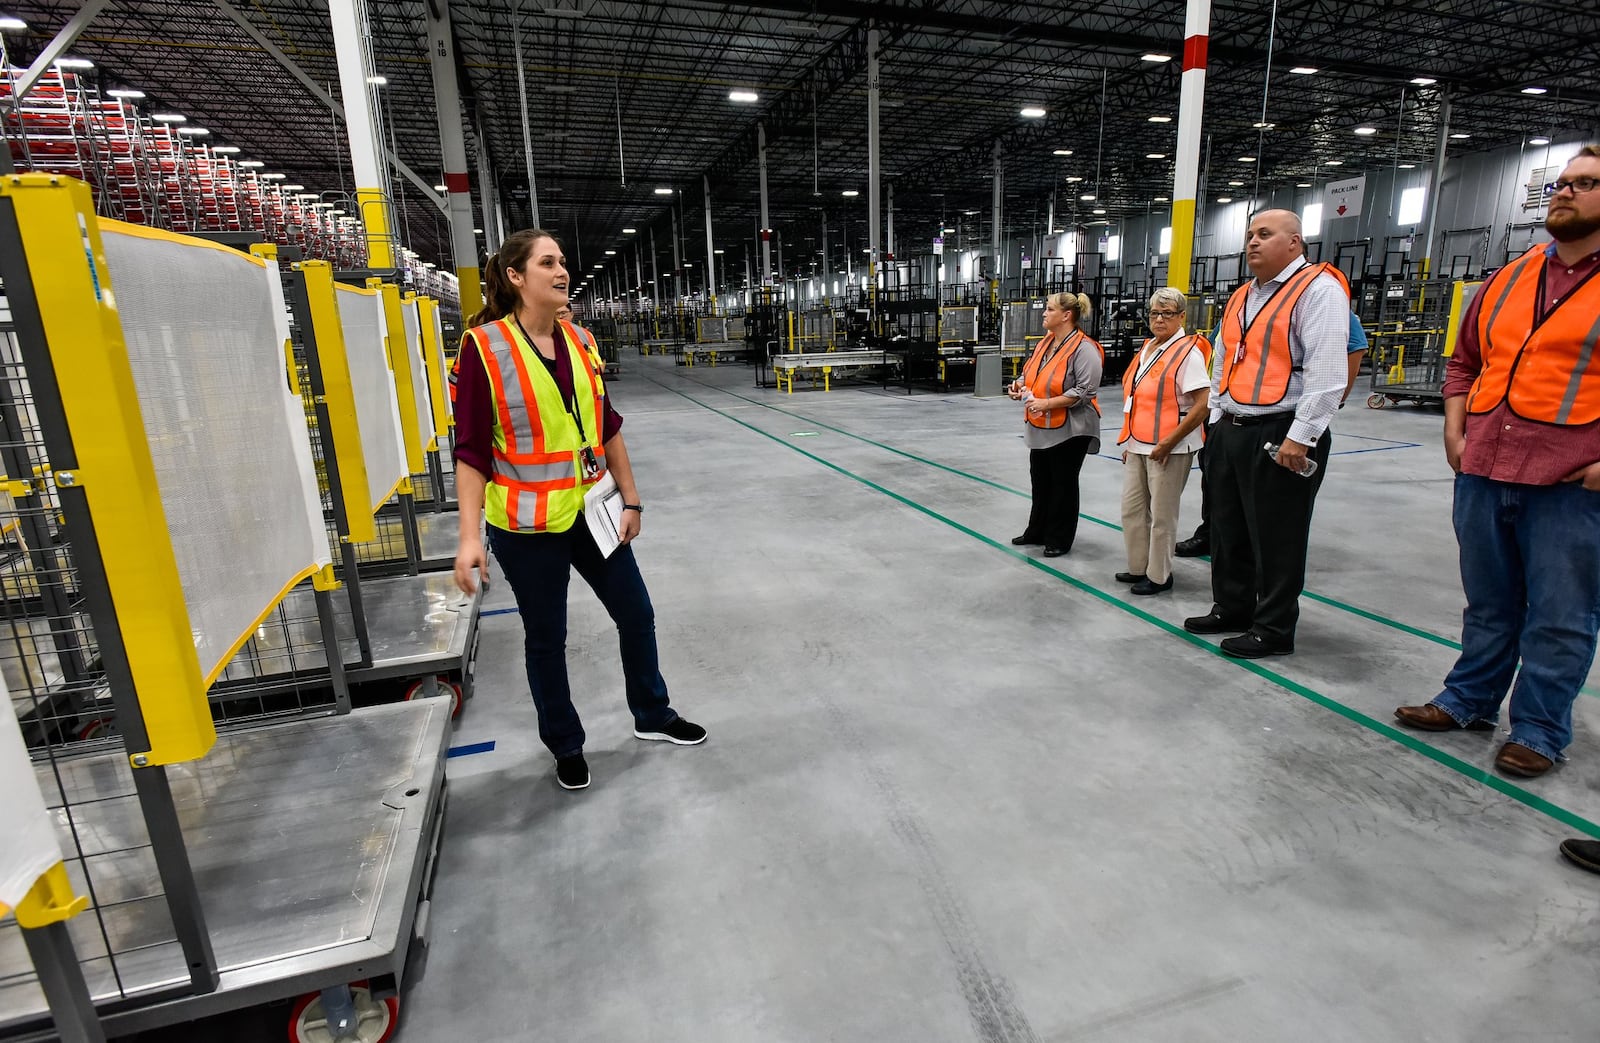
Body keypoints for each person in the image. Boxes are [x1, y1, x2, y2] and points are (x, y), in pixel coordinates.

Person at [452, 228, 705, 792]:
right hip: (526, 525)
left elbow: (607, 425)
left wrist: (631, 497)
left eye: (563, 261)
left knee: (636, 614)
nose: (561, 270)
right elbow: (469, 449)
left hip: (593, 511)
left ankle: (653, 713)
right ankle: (566, 744)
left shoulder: (582, 340)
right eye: (548, 263)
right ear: (517, 277)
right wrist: (470, 536)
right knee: (547, 639)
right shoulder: (484, 348)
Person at [1394, 146, 1600, 778]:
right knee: (1488, 602)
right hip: (1483, 468)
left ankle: (1538, 730)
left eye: (1585, 184)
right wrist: (1455, 429)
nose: (1564, 193)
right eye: (1561, 183)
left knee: (1562, 616)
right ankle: (1469, 700)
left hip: (1569, 481)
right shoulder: (1506, 279)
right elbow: (1464, 363)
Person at [1182, 210, 1351, 658]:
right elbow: (1223, 360)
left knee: (1277, 535)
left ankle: (1274, 628)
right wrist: (1216, 417)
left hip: (1282, 430)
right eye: (1250, 235)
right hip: (1233, 427)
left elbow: (1329, 373)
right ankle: (1232, 608)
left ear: (1294, 242)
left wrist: (1302, 436)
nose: (1253, 242)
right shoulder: (1241, 296)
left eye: (1265, 234)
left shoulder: (1318, 291)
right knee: (1227, 528)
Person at [1175, 297, 1366, 559]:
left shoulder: (1321, 300)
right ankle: (1211, 534)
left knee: (1273, 506)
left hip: (1279, 418)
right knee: (1217, 486)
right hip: (1228, 415)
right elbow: (1218, 353)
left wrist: (1331, 405)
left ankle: (1265, 560)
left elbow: (1353, 350)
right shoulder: (1241, 305)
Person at [1115, 288, 1211, 595]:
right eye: (1155, 313)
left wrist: (1170, 441)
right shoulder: (1148, 348)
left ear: (1181, 316)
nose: (1159, 319)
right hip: (1138, 443)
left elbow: (1203, 403)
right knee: (1132, 509)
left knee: (1162, 515)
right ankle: (1138, 566)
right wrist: (1130, 441)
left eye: (1167, 313)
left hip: (1170, 448)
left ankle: (1159, 575)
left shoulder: (1188, 352)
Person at [1007, 292, 1103, 557]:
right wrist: (1018, 386)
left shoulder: (1085, 349)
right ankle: (1037, 530)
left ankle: (1059, 538)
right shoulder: (1045, 343)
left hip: (1073, 427)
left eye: (1049, 309)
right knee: (1040, 479)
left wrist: (1048, 404)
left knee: (1063, 482)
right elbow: (1031, 373)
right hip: (1042, 424)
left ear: (1066, 315)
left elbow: (1086, 391)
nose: (1044, 313)